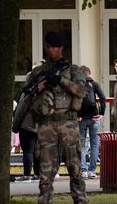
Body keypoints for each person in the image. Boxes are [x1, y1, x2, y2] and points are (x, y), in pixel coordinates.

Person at [31, 32, 87, 204]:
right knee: (45, 171)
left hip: (68, 124)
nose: (52, 50)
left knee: (75, 168)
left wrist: (61, 80)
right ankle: (45, 200)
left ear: (61, 48)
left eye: (56, 47)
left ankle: (80, 200)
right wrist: (38, 89)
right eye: (49, 46)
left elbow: (81, 91)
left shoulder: (73, 70)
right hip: (46, 125)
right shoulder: (39, 72)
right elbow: (29, 98)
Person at [12, 59, 45, 182]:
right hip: (40, 127)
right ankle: (37, 174)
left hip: (26, 126)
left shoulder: (28, 93)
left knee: (28, 151)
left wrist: (15, 127)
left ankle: (26, 174)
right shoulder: (46, 93)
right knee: (37, 151)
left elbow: (20, 111)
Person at [78, 65, 106, 179]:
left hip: (81, 119)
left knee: (82, 145)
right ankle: (92, 171)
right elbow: (103, 98)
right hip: (94, 117)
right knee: (95, 144)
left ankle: (83, 170)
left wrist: (76, 115)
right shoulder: (94, 84)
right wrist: (101, 114)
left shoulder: (77, 85)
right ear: (89, 73)